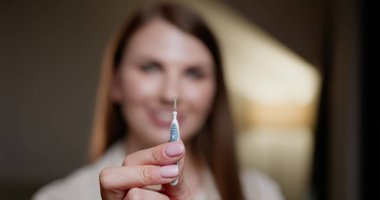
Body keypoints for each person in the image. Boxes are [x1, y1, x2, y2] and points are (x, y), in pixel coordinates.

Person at [33, 2, 284, 200]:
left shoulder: (262, 193)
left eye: (194, 73)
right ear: (116, 83)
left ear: (215, 91)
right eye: (150, 67)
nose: (170, 93)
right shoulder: (58, 197)